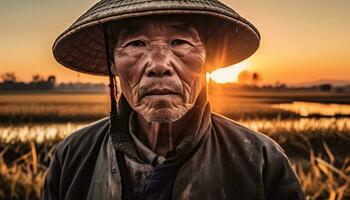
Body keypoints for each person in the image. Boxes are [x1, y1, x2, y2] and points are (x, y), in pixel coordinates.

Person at [43, 0, 304, 199]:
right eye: (136, 44)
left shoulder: (261, 160)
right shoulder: (73, 157)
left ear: (208, 60)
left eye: (179, 42)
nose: (159, 65)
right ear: (113, 62)